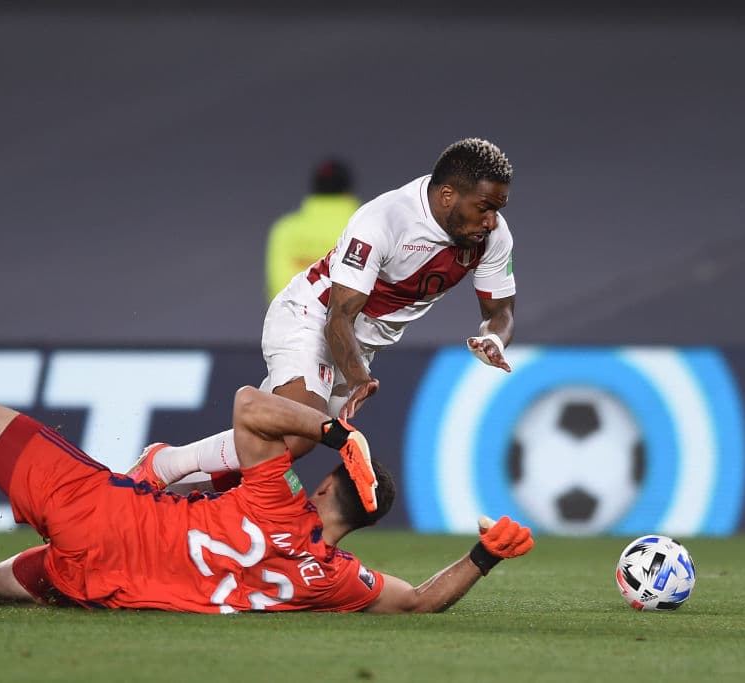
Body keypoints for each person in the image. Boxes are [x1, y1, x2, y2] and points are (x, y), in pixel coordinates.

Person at [0, 332, 533, 614]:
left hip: (105, 516)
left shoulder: (275, 494)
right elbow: (423, 600)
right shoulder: (336, 580)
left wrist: (333, 428)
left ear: (329, 484)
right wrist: (484, 555)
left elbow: (250, 405)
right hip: (105, 587)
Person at [129, 138, 516, 492]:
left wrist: (494, 338)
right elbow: (338, 318)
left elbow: (499, 311)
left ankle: (169, 494)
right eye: (483, 208)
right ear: (448, 195)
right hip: (311, 319)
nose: (491, 221)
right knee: (301, 431)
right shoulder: (384, 220)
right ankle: (162, 464)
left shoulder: (492, 237)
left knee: (273, 449)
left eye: (497, 209)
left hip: (356, 347)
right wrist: (359, 378)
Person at [264, 158, 359, 302]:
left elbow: (277, 284)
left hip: (295, 319)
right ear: (347, 190)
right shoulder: (362, 226)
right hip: (349, 321)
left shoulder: (286, 230)